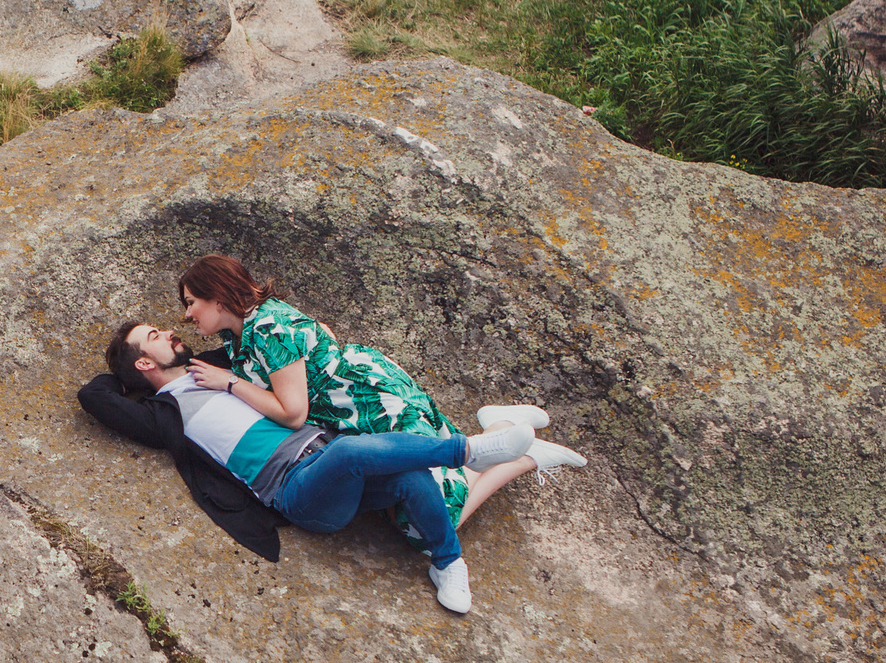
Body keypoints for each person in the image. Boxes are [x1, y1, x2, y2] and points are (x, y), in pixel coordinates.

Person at [84, 321, 538, 613]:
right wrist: (126, 375)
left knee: (407, 476)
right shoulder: (161, 415)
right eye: (155, 336)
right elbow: (93, 395)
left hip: (330, 452)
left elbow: (270, 334)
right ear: (144, 361)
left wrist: (228, 377)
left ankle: (447, 561)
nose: (169, 332)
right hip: (297, 490)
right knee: (350, 453)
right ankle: (469, 450)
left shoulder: (221, 365)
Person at [172, 253, 583, 549]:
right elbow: (324, 332)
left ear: (218, 297)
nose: (187, 315)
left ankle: (517, 449)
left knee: (430, 523)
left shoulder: (266, 327)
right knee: (408, 495)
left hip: (372, 404)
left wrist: (230, 384)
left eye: (191, 302)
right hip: (355, 406)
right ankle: (499, 430)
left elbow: (293, 415)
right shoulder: (242, 331)